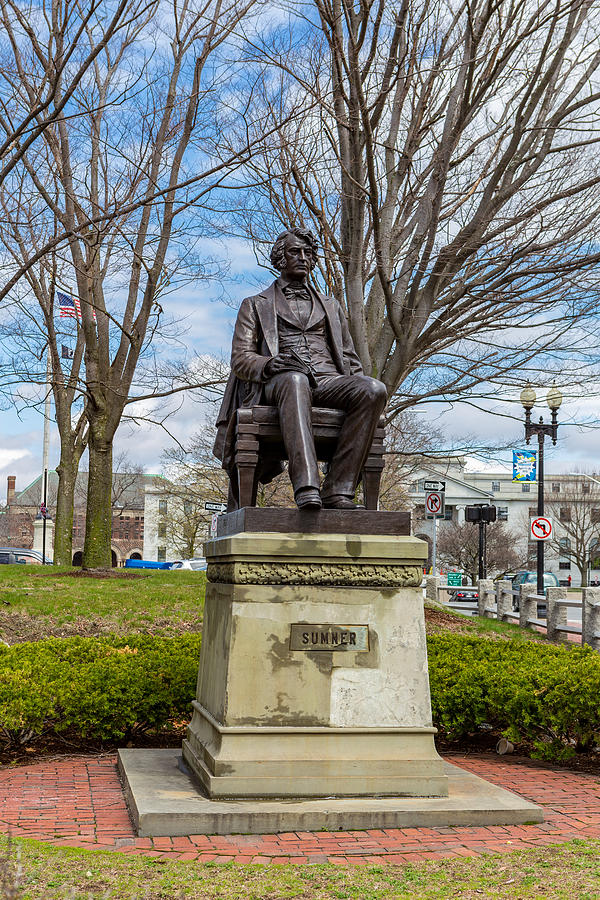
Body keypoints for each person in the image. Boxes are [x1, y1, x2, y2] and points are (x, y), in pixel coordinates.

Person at [214, 227, 387, 509]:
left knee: (373, 389)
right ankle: (307, 487)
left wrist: (368, 399)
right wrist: (270, 363)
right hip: (280, 383)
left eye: (308, 253)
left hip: (329, 381)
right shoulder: (255, 305)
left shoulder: (331, 306)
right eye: (295, 252)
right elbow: (241, 359)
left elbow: (349, 359)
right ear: (280, 258)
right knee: (296, 380)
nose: (303, 257)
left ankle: (337, 489)